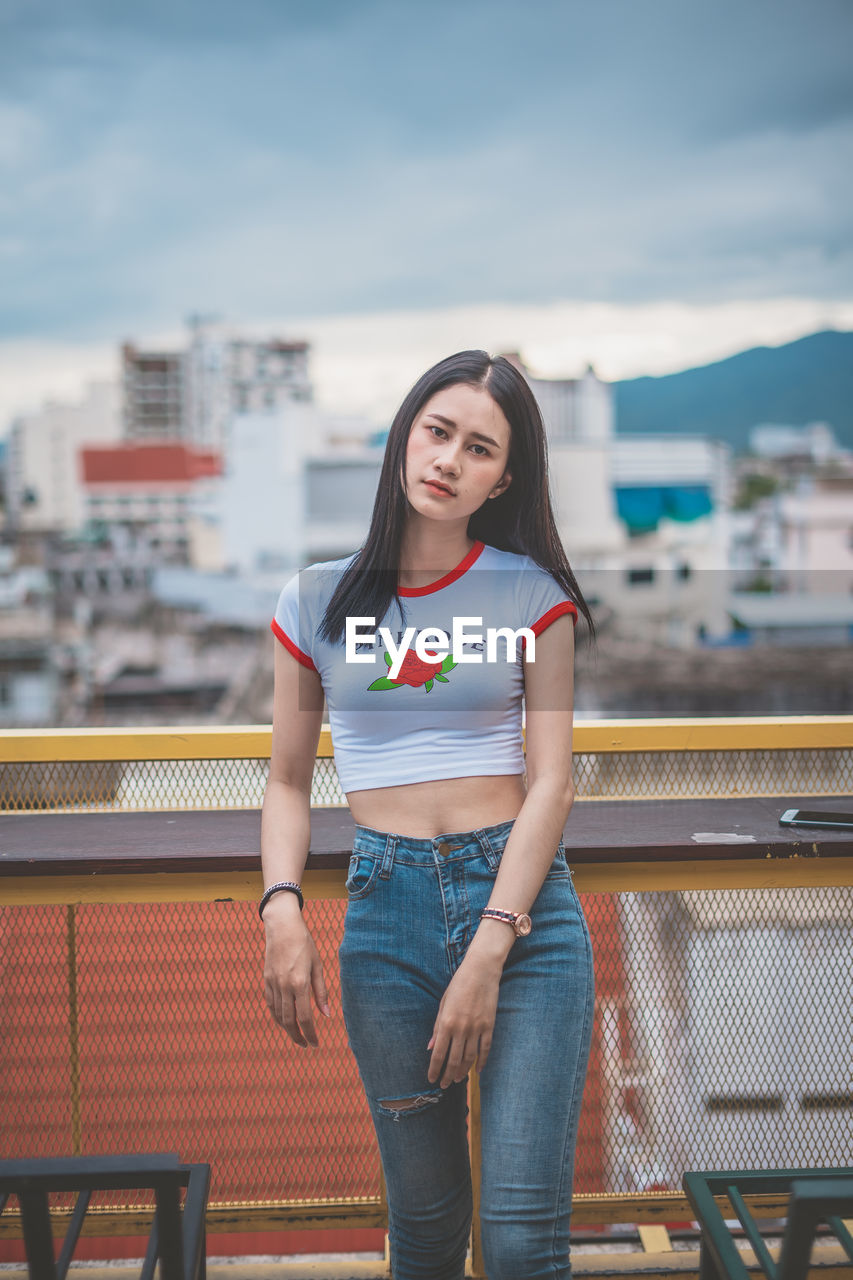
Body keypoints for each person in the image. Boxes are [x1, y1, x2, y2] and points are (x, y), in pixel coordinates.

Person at [260, 350, 596, 1280]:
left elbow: (552, 784)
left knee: (525, 1239)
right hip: (385, 916)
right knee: (425, 1227)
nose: (449, 460)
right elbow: (288, 780)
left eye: (478, 448)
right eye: (437, 432)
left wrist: (491, 946)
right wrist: (281, 906)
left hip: (524, 921)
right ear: (404, 436)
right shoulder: (312, 601)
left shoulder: (533, 597)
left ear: (503, 478)